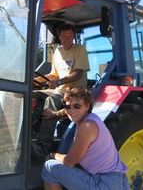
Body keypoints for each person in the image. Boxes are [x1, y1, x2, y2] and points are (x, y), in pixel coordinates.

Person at [41, 87, 130, 190]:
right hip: (119, 180)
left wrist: (52, 155)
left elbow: (69, 161)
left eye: (77, 106)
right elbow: (69, 111)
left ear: (87, 106)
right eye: (68, 106)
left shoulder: (87, 126)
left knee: (49, 167)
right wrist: (54, 114)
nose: (71, 110)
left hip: (104, 183)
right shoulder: (92, 118)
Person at [32, 24, 90, 161]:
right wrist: (32, 81)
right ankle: (29, 135)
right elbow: (53, 74)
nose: (66, 39)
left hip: (75, 92)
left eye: (69, 36)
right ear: (59, 36)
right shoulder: (57, 51)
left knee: (51, 100)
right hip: (59, 89)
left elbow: (77, 73)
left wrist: (59, 82)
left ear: (73, 36)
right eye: (64, 36)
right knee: (32, 94)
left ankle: (43, 146)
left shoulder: (80, 50)